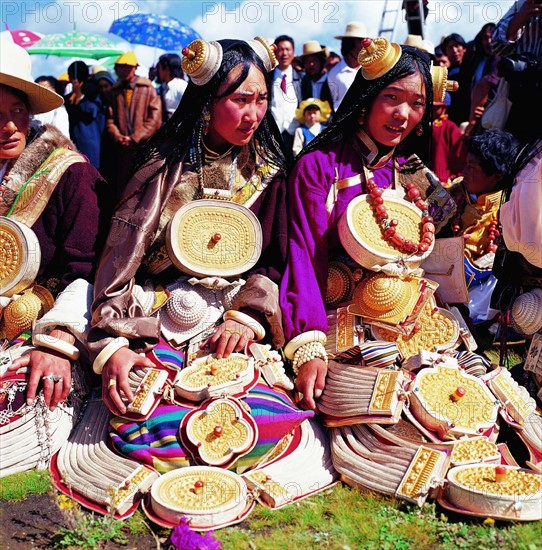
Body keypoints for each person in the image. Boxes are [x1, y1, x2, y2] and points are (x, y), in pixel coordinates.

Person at [88, 37, 289, 416]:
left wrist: (248, 316)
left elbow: (277, 258)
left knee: (256, 412)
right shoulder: (160, 168)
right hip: (158, 312)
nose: (254, 114)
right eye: (240, 100)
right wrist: (115, 338)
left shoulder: (270, 172)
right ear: (206, 101)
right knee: (148, 412)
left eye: (260, 99)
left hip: (235, 317)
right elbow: (120, 258)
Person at [279, 37, 450, 410]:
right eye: (392, 97)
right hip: (337, 322)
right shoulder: (319, 167)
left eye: (417, 103)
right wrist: (309, 345)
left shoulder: (409, 170)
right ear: (367, 97)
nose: (403, 114)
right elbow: (305, 254)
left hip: (411, 319)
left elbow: (449, 230)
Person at [0, 42, 107, 423]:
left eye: (17, 111)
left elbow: (90, 271)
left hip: (42, 324)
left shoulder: (71, 176)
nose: (9, 126)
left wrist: (58, 341)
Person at [102, 51, 162, 200]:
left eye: (126, 67)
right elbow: (110, 120)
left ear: (135, 68)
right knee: (121, 185)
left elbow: (155, 118)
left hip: (142, 147)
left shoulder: (147, 89)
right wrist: (118, 136)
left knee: (142, 184)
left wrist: (135, 137)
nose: (122, 70)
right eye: (120, 67)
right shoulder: (114, 92)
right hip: (122, 150)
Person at [64, 60, 105, 169]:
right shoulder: (70, 94)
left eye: (71, 75)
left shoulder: (92, 91)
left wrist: (79, 95)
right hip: (74, 140)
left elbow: (91, 112)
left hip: (90, 141)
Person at [270, 35, 303, 155]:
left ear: (293, 52)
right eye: (281, 50)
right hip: (273, 134)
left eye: (288, 49)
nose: (284, 53)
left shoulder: (302, 78)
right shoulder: (267, 77)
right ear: (275, 52)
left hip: (295, 134)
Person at [327, 22, 367, 110]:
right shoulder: (334, 74)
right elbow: (334, 103)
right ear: (350, 44)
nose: (364, 45)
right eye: (361, 41)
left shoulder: (370, 69)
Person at [299, 40, 333, 109]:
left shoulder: (331, 80)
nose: (311, 64)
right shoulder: (303, 83)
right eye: (307, 61)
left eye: (315, 60)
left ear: (321, 61)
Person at [156, 53, 188, 122]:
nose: (158, 71)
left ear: (166, 69)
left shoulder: (182, 86)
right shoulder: (163, 87)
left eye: (160, 68)